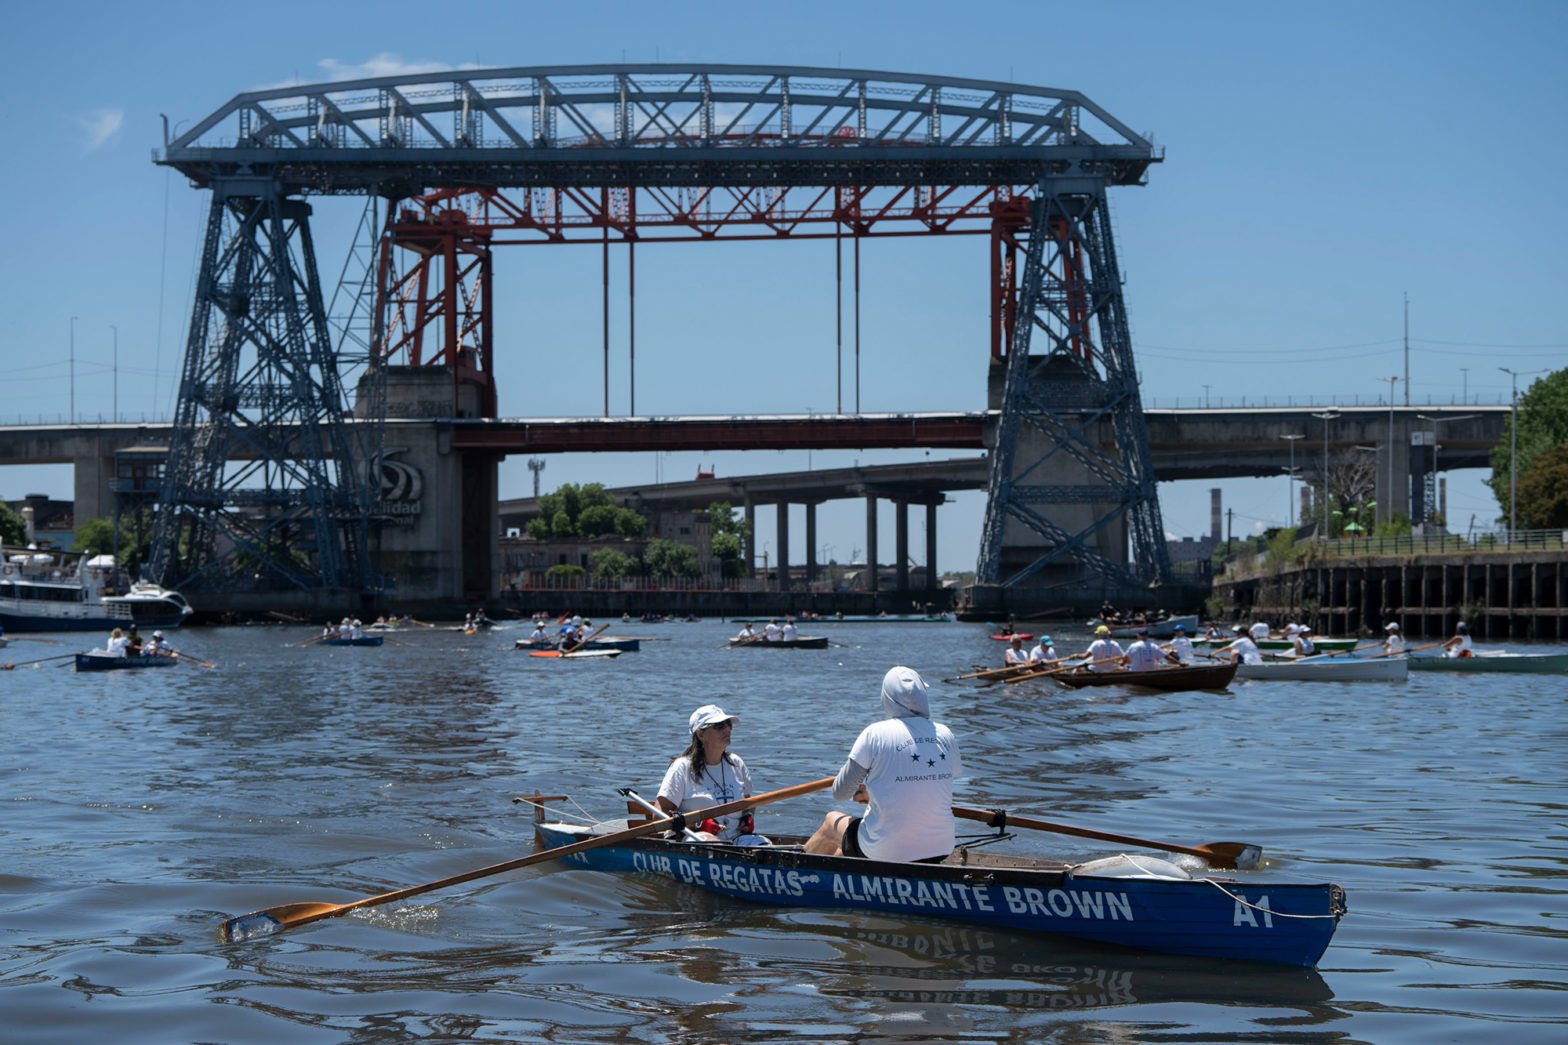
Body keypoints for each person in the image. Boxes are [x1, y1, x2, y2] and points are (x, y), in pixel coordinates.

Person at [804, 666, 960, 863]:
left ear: (886, 699)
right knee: (842, 848)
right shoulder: (945, 734)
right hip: (942, 846)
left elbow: (841, 794)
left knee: (831, 822)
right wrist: (873, 792)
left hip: (886, 850)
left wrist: (864, 785)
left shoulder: (874, 734)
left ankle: (794, 876)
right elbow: (929, 781)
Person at [656, 705, 755, 843]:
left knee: (766, 847)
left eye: (729, 724)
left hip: (736, 838)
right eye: (719, 726)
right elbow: (659, 816)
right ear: (701, 734)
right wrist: (698, 825)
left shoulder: (736, 763)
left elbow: (748, 803)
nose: (727, 729)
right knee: (715, 845)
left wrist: (748, 815)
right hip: (695, 838)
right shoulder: (682, 768)